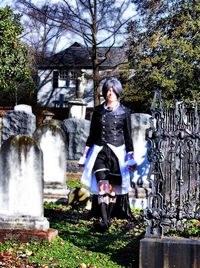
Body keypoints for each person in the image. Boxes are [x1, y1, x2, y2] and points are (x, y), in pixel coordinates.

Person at [78, 77, 136, 232]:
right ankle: (104, 222)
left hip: (117, 154)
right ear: (105, 92)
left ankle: (107, 219)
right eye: (108, 90)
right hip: (99, 153)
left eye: (113, 90)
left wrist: (131, 158)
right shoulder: (97, 111)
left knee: (112, 189)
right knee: (102, 186)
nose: (110, 93)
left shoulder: (125, 112)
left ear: (118, 92)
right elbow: (91, 135)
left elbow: (128, 136)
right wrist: (84, 156)